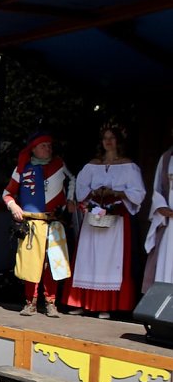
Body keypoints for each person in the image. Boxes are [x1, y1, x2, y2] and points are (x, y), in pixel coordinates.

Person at [62, 124, 145, 319]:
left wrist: (117, 192)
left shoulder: (129, 166)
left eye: (112, 138)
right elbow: (81, 188)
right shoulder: (93, 165)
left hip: (115, 215)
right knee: (87, 257)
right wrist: (95, 191)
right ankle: (81, 302)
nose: (108, 141)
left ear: (119, 141)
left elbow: (138, 192)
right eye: (105, 138)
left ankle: (104, 305)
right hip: (94, 213)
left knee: (109, 260)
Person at [3, 132, 75, 316]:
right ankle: (30, 302)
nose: (48, 148)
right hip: (32, 224)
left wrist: (70, 199)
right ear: (34, 149)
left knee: (53, 264)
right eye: (44, 145)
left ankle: (51, 302)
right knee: (31, 265)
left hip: (54, 222)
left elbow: (74, 180)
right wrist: (14, 207)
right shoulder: (22, 168)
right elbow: (7, 193)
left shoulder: (59, 164)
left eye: (50, 146)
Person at [143, 142, 173, 290]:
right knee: (166, 260)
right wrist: (161, 207)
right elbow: (157, 189)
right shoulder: (167, 158)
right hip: (170, 219)